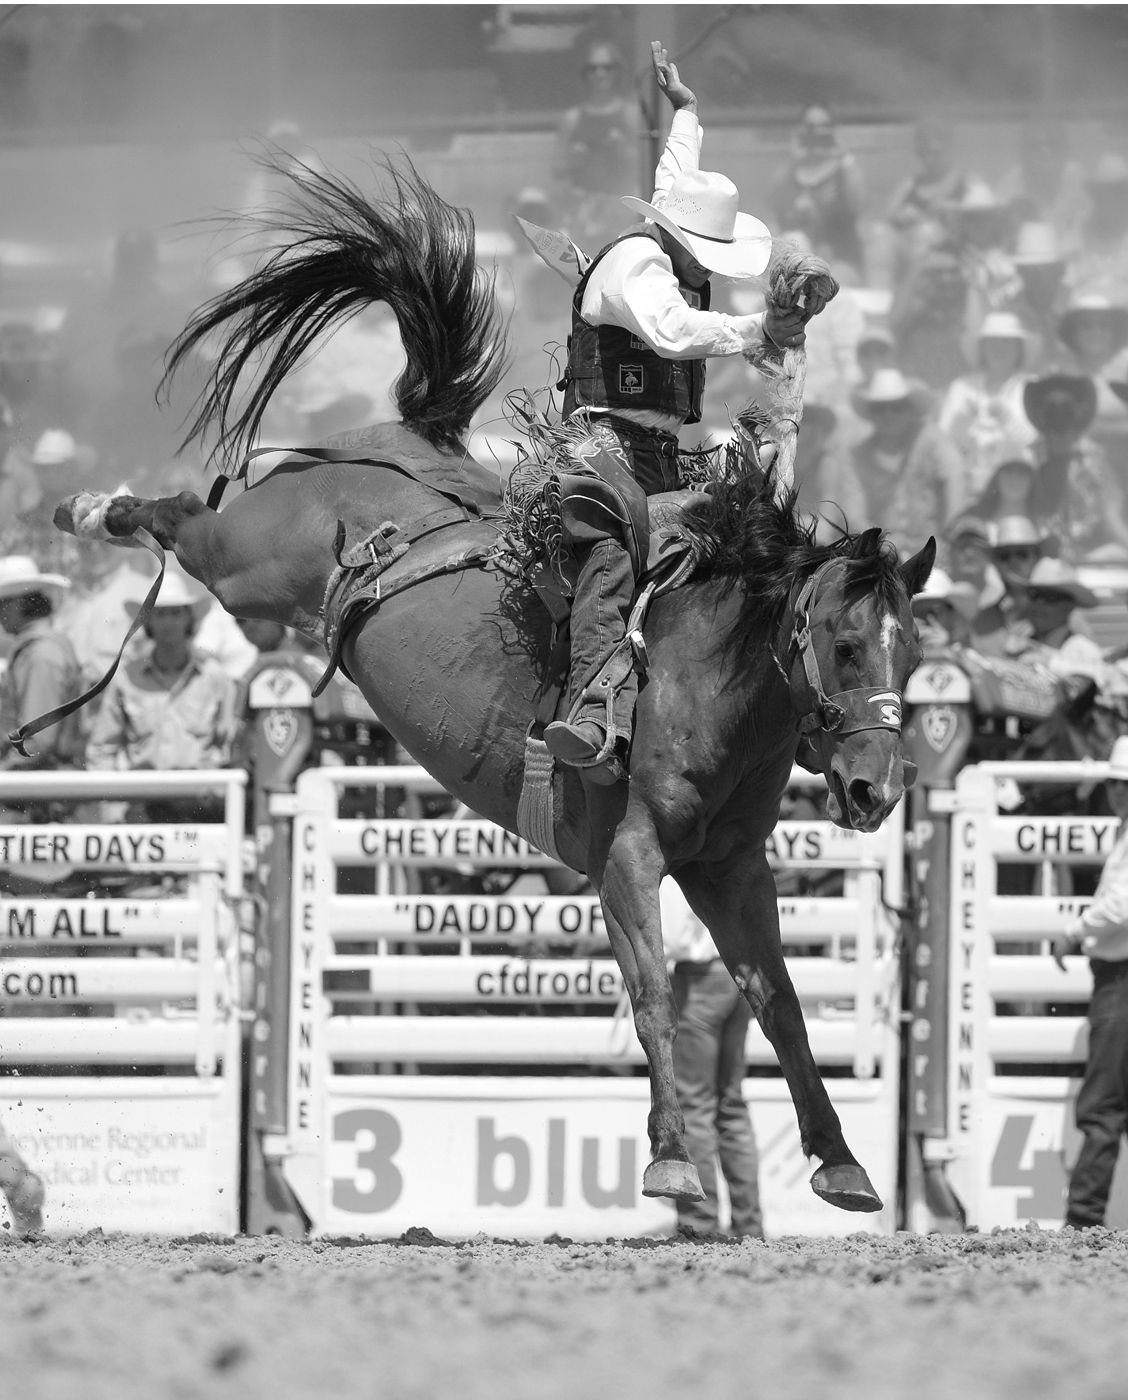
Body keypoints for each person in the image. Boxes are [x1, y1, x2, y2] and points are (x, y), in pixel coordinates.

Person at [543, 40, 812, 779]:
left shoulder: (665, 241)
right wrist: (760, 329)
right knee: (613, 546)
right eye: (706, 251)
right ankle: (591, 709)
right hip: (601, 445)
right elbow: (672, 330)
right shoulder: (638, 265)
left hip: (655, 447)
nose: (708, 268)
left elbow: (674, 178)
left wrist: (687, 114)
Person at [86, 563, 238, 821]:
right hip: (142, 800)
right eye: (160, 614)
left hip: (201, 801)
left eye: (176, 613)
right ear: (149, 622)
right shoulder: (126, 678)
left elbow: (230, 742)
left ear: (189, 620)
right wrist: (111, 807)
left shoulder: (214, 676)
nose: (168, 622)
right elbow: (102, 747)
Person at [1052, 733, 1128, 1230]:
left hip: (1120, 980)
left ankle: (1084, 1219)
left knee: (1102, 1102)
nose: (1116, 793)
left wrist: (1075, 930)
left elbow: (1122, 906)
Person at [660, 876, 763, 1240]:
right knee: (730, 1104)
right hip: (740, 972)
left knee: (692, 1106)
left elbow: (672, 936)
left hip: (699, 977)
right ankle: (748, 1223)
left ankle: (699, 1222)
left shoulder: (677, 855)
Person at [833, 367, 964, 557]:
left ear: (910, 411)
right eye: (881, 408)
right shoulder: (857, 456)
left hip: (931, 549)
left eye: (897, 407)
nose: (889, 415)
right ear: (871, 413)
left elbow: (955, 476)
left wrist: (948, 537)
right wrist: (882, 542)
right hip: (880, 554)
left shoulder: (931, 439)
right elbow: (853, 515)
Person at [553, 39, 642, 253]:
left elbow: (646, 166)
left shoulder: (630, 115)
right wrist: (574, 160)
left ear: (617, 72)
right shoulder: (572, 118)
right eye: (593, 68)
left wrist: (623, 149)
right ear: (585, 73)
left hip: (621, 208)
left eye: (607, 67)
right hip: (582, 211)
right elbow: (557, 170)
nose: (600, 74)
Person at [938, 311, 1037, 499]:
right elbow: (943, 442)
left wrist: (1006, 419)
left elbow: (1035, 444)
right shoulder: (961, 388)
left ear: (1019, 349)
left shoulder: (1032, 387)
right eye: (993, 342)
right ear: (982, 348)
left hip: (1016, 494)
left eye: (1007, 343)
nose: (1000, 349)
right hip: (966, 490)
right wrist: (963, 420)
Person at [0, 555, 83, 772]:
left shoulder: (40, 655)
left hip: (42, 788)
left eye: (2, 603)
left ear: (18, 604)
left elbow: (37, 742)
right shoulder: (45, 647)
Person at [770, 104, 865, 282]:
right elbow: (774, 204)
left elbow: (859, 204)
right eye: (811, 126)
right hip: (795, 259)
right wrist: (793, 159)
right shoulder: (790, 171)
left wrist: (844, 157)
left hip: (839, 260)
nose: (818, 132)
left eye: (825, 126)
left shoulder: (844, 170)